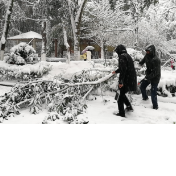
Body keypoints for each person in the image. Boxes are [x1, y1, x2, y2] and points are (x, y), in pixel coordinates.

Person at [112, 45, 137, 118]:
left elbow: (123, 70)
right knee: (122, 94)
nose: (117, 53)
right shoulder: (127, 55)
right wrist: (116, 71)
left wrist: (121, 82)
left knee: (120, 96)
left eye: (117, 52)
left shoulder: (122, 57)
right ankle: (129, 106)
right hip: (131, 79)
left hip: (127, 79)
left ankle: (121, 113)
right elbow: (124, 67)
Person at [139, 45, 161, 110]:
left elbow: (155, 72)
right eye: (146, 51)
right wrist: (138, 64)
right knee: (142, 86)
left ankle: (155, 106)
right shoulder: (147, 56)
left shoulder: (156, 60)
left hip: (155, 77)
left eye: (148, 51)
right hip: (149, 75)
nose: (147, 53)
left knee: (153, 91)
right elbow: (142, 62)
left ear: (152, 51)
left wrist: (147, 77)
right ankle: (145, 98)